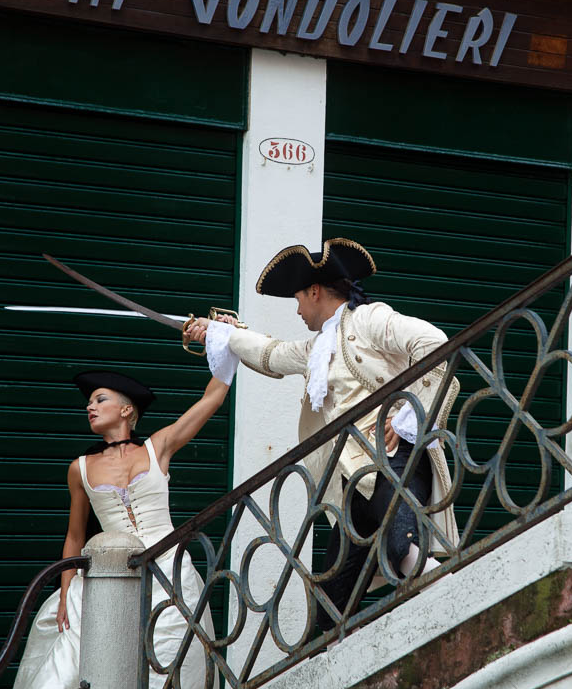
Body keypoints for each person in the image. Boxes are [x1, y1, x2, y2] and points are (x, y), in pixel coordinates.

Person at [185, 238, 459, 634]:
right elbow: (271, 354)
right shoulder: (317, 346)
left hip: (391, 458)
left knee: (401, 545)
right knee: (332, 593)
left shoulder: (368, 320)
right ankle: (327, 665)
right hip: (352, 481)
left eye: (298, 298)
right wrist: (220, 332)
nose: (297, 309)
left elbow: (435, 344)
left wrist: (404, 416)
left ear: (315, 291)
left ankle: (457, 598)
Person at [1, 369, 232, 689]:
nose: (90, 407)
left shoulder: (158, 447)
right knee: (91, 670)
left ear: (127, 410)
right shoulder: (80, 468)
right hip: (111, 576)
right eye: (89, 402)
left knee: (170, 666)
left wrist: (225, 343)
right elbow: (75, 536)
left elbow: (213, 398)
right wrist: (65, 594)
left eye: (99, 399)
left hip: (171, 574)